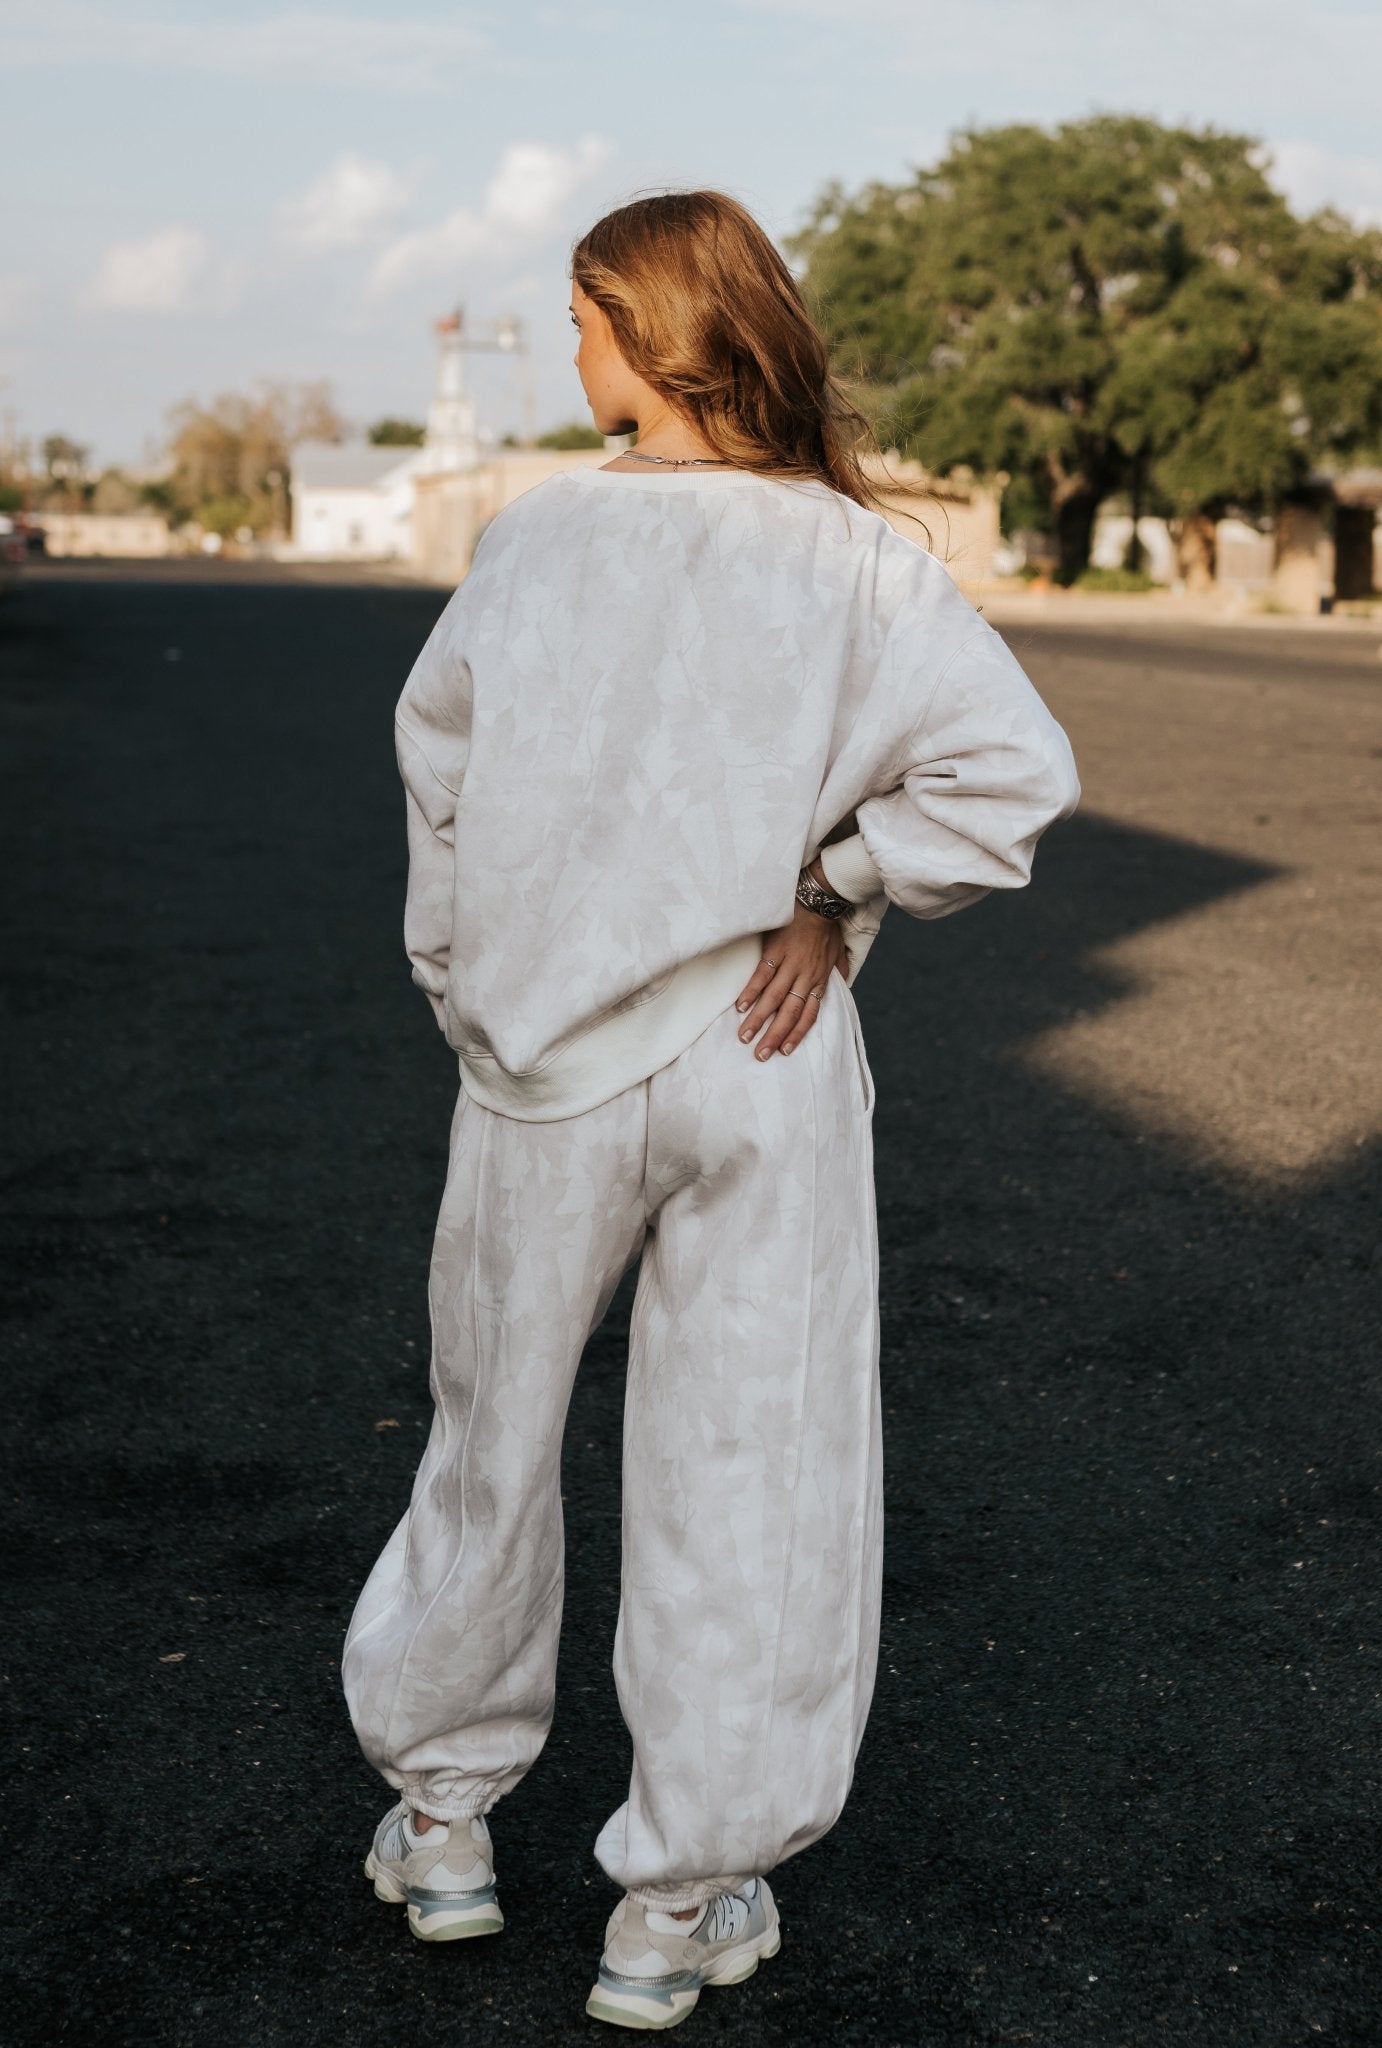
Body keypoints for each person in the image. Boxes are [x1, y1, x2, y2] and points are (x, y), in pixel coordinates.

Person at [342, 189, 1079, 2031]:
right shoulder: (855, 559)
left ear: (640, 330)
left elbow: (441, 790)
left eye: (578, 317)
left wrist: (469, 993)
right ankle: (672, 1906)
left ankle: (443, 1821)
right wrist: (834, 890)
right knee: (754, 1471)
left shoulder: (535, 538)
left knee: (488, 1442)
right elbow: (1007, 777)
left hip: (541, 1071)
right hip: (763, 1054)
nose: (569, 348)